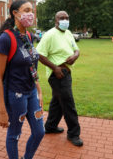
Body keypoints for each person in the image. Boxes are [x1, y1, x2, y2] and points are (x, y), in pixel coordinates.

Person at [0, 0, 44, 159]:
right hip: (16, 95)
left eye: (32, 10)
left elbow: (31, 65)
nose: (31, 14)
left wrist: (39, 90)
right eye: (27, 10)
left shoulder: (27, 35)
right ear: (15, 13)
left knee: (39, 132)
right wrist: (2, 111)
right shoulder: (6, 39)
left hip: (31, 93)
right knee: (14, 134)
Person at [36, 11, 83, 147]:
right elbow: (39, 54)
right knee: (68, 103)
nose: (65, 20)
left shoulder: (68, 33)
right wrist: (55, 68)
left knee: (58, 101)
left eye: (67, 18)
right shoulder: (49, 35)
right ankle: (74, 134)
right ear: (56, 20)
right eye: (62, 18)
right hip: (57, 74)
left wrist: (75, 55)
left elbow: (76, 49)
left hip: (66, 72)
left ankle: (50, 126)